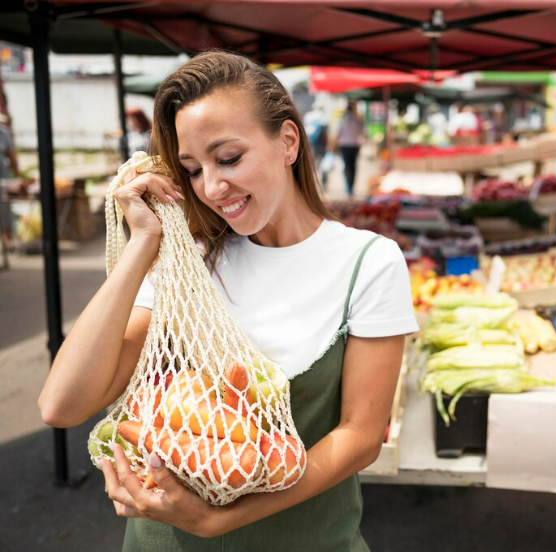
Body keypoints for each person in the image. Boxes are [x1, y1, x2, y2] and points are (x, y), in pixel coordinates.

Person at [38, 51, 418, 550]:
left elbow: (361, 436)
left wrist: (221, 520)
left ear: (287, 141)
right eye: (192, 169)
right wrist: (142, 245)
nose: (213, 188)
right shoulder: (186, 263)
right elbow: (61, 405)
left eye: (229, 158)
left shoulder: (368, 262)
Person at [331, 101, 364, 197]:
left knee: (347, 167)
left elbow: (337, 133)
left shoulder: (342, 119)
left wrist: (332, 146)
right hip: (354, 146)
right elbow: (362, 133)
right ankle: (351, 187)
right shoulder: (357, 120)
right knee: (353, 167)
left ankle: (348, 188)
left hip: (344, 145)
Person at [0, 113, 20, 249]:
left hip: (3, 177)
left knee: (4, 207)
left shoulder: (4, 134)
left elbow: (12, 157)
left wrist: (18, 176)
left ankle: (6, 238)